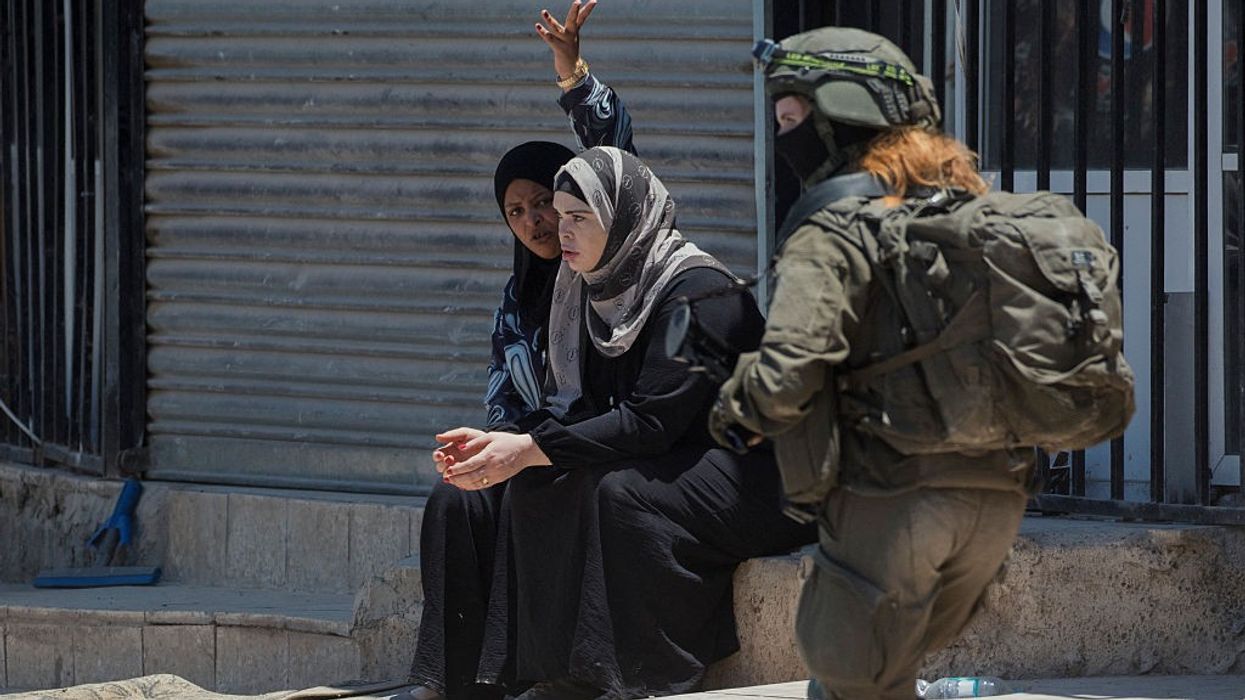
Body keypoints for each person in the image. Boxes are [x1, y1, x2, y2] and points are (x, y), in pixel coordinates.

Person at [709, 28, 1032, 700]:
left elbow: (786, 374)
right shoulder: (976, 215)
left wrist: (732, 410)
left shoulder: (834, 231)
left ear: (844, 117)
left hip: (893, 504)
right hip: (992, 506)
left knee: (848, 681)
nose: (783, 137)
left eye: (793, 121)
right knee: (880, 682)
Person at [434, 146, 815, 700]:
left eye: (579, 217)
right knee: (542, 485)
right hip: (685, 462)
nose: (561, 231)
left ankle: (641, 679)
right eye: (561, 216)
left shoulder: (696, 294)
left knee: (621, 493)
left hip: (770, 477)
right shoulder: (601, 292)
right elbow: (590, 409)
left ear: (622, 218)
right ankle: (557, 675)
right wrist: (507, 444)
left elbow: (650, 422)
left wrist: (529, 447)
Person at [400, 5, 638, 700]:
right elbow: (507, 400)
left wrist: (573, 77)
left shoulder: (602, 270)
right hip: (538, 443)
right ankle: (442, 679)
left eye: (546, 203)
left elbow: (613, 159)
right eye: (518, 211)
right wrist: (482, 450)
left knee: (533, 486)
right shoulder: (515, 297)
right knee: (455, 502)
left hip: (601, 446)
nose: (536, 222)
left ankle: (537, 676)